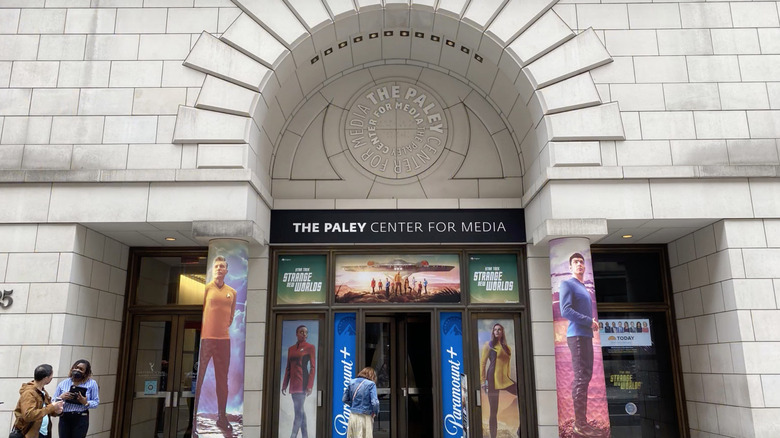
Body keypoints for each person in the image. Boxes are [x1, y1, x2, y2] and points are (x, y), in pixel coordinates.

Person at [194, 255, 237, 431]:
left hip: (223, 341)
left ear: (226, 270)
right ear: (213, 269)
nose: (219, 268)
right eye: (217, 266)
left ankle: (221, 416)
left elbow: (231, 317)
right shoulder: (206, 289)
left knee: (222, 380)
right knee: (200, 378)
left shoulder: (232, 292)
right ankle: (195, 415)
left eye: (222, 266)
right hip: (206, 339)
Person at [559, 253, 599, 437]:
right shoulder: (568, 284)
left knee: (585, 377)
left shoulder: (583, 287)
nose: (580, 265)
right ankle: (579, 425)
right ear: (570, 267)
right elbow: (565, 310)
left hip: (585, 335)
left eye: (582, 262)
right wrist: (589, 321)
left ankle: (581, 422)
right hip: (576, 336)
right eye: (576, 262)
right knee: (581, 378)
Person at [480, 323, 518, 438]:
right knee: (493, 410)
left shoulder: (507, 348)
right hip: (492, 379)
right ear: (493, 332)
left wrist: (507, 377)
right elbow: (483, 363)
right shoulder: (489, 345)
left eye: (499, 329)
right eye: (495, 329)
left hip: (505, 379)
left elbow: (506, 365)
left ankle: (520, 429)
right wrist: (483, 381)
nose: (497, 331)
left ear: (502, 332)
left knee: (522, 393)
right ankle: (493, 436)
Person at [282, 325, 316, 438]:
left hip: (303, 384)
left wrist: (310, 386)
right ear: (296, 334)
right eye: (301, 332)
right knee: (300, 411)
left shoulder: (310, 347)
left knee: (298, 413)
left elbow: (313, 367)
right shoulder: (291, 349)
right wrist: (284, 385)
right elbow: (288, 368)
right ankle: (305, 436)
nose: (304, 334)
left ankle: (293, 436)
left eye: (306, 332)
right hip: (293, 385)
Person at [12, 364, 64, 438]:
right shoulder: (29, 393)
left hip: (43, 432)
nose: (52, 378)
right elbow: (28, 415)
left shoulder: (43, 391)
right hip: (30, 433)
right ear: (46, 378)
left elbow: (46, 409)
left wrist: (56, 411)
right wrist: (52, 407)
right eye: (51, 376)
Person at [54, 360, 99, 438]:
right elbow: (53, 401)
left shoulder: (92, 384)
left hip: (81, 417)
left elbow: (96, 402)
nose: (77, 370)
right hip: (65, 417)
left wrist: (85, 402)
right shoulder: (63, 383)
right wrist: (61, 397)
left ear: (85, 373)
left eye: (81, 369)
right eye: (76, 367)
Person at [342, 367, 380, 438]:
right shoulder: (371, 384)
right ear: (372, 375)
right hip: (365, 416)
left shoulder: (352, 382)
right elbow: (375, 403)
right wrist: (375, 412)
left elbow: (344, 399)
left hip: (353, 416)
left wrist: (354, 405)